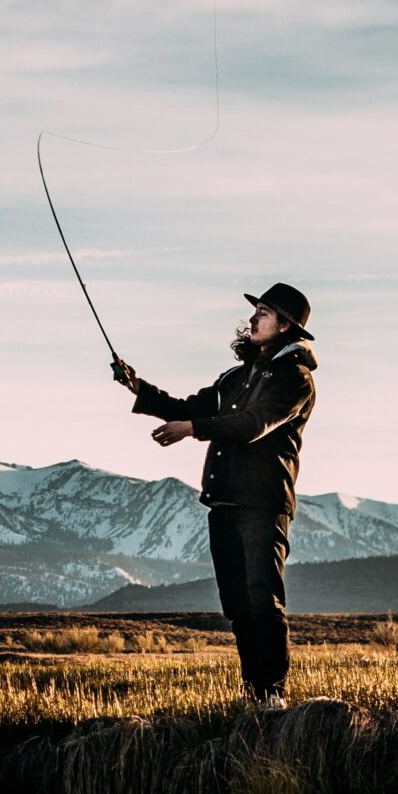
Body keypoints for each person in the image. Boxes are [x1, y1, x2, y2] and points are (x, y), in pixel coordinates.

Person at [111, 284, 318, 711]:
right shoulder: (235, 377)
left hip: (263, 502)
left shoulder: (294, 379)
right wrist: (138, 388)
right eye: (255, 311)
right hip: (224, 500)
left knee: (263, 598)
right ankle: (255, 694)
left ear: (285, 326)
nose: (253, 319)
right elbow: (192, 406)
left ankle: (274, 694)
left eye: (264, 312)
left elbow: (252, 424)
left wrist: (191, 429)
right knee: (238, 605)